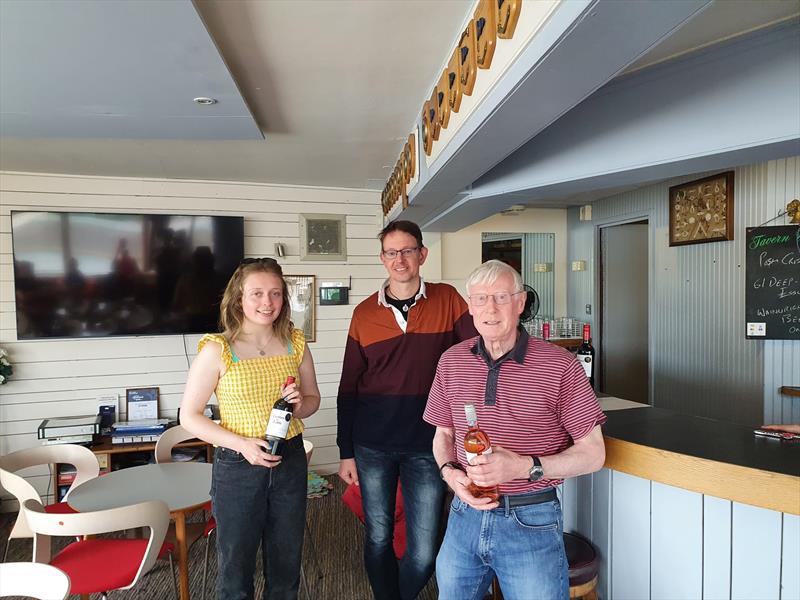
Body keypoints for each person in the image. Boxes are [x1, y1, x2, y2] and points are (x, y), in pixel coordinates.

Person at [423, 259, 607, 600]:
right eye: (480, 299)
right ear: (469, 307)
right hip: (464, 513)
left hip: (531, 516)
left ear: (521, 303)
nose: (490, 309)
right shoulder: (451, 360)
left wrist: (525, 465)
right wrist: (450, 474)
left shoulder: (560, 365)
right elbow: (443, 435)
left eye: (501, 297)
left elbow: (594, 454)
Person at [336, 220, 478, 600]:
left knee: (424, 548)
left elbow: (478, 353)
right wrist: (345, 451)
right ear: (382, 258)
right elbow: (349, 387)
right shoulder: (364, 313)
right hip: (372, 444)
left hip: (428, 444)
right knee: (379, 536)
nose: (400, 260)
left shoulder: (449, 300)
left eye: (408, 251)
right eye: (391, 252)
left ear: (422, 255)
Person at [180, 257, 321, 600]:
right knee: (235, 568)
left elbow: (313, 399)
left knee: (287, 563)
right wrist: (242, 444)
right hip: (238, 465)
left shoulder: (295, 343)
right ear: (238, 298)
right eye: (256, 293)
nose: (266, 302)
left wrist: (301, 403)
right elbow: (190, 416)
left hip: (289, 459)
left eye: (275, 293)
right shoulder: (218, 349)